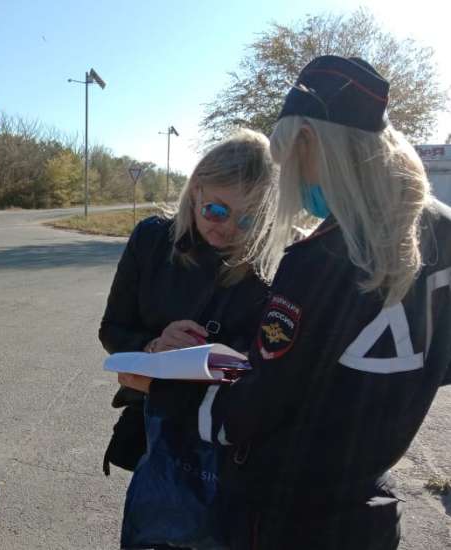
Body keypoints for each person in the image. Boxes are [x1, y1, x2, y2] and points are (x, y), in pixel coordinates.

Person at [122, 55, 451, 550]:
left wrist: (159, 383)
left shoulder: (321, 256)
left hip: (291, 512)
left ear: (312, 144)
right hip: (371, 507)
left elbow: (245, 416)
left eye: (287, 159)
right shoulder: (440, 229)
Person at [99, 129, 277, 548]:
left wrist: (214, 364)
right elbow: (112, 329)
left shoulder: (276, 260)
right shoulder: (153, 239)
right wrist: (152, 347)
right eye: (216, 209)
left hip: (231, 450)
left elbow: (276, 370)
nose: (228, 229)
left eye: (248, 219)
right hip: (156, 438)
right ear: (195, 191)